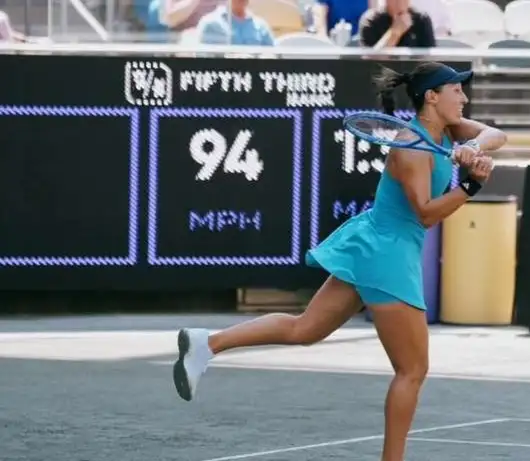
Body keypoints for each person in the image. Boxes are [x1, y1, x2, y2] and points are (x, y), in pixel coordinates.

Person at [172, 61, 506, 461]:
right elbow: (425, 215)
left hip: (370, 246)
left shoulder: (448, 129)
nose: (464, 98)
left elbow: (496, 135)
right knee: (412, 370)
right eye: (457, 90)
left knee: (305, 329)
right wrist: (470, 185)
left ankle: (206, 343)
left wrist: (473, 148)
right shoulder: (410, 148)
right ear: (432, 97)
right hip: (388, 256)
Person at [359, 0, 436, 49]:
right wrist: (394, 34)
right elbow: (370, 63)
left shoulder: (421, 19)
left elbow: (432, 61)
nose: (400, 3)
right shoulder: (371, 20)